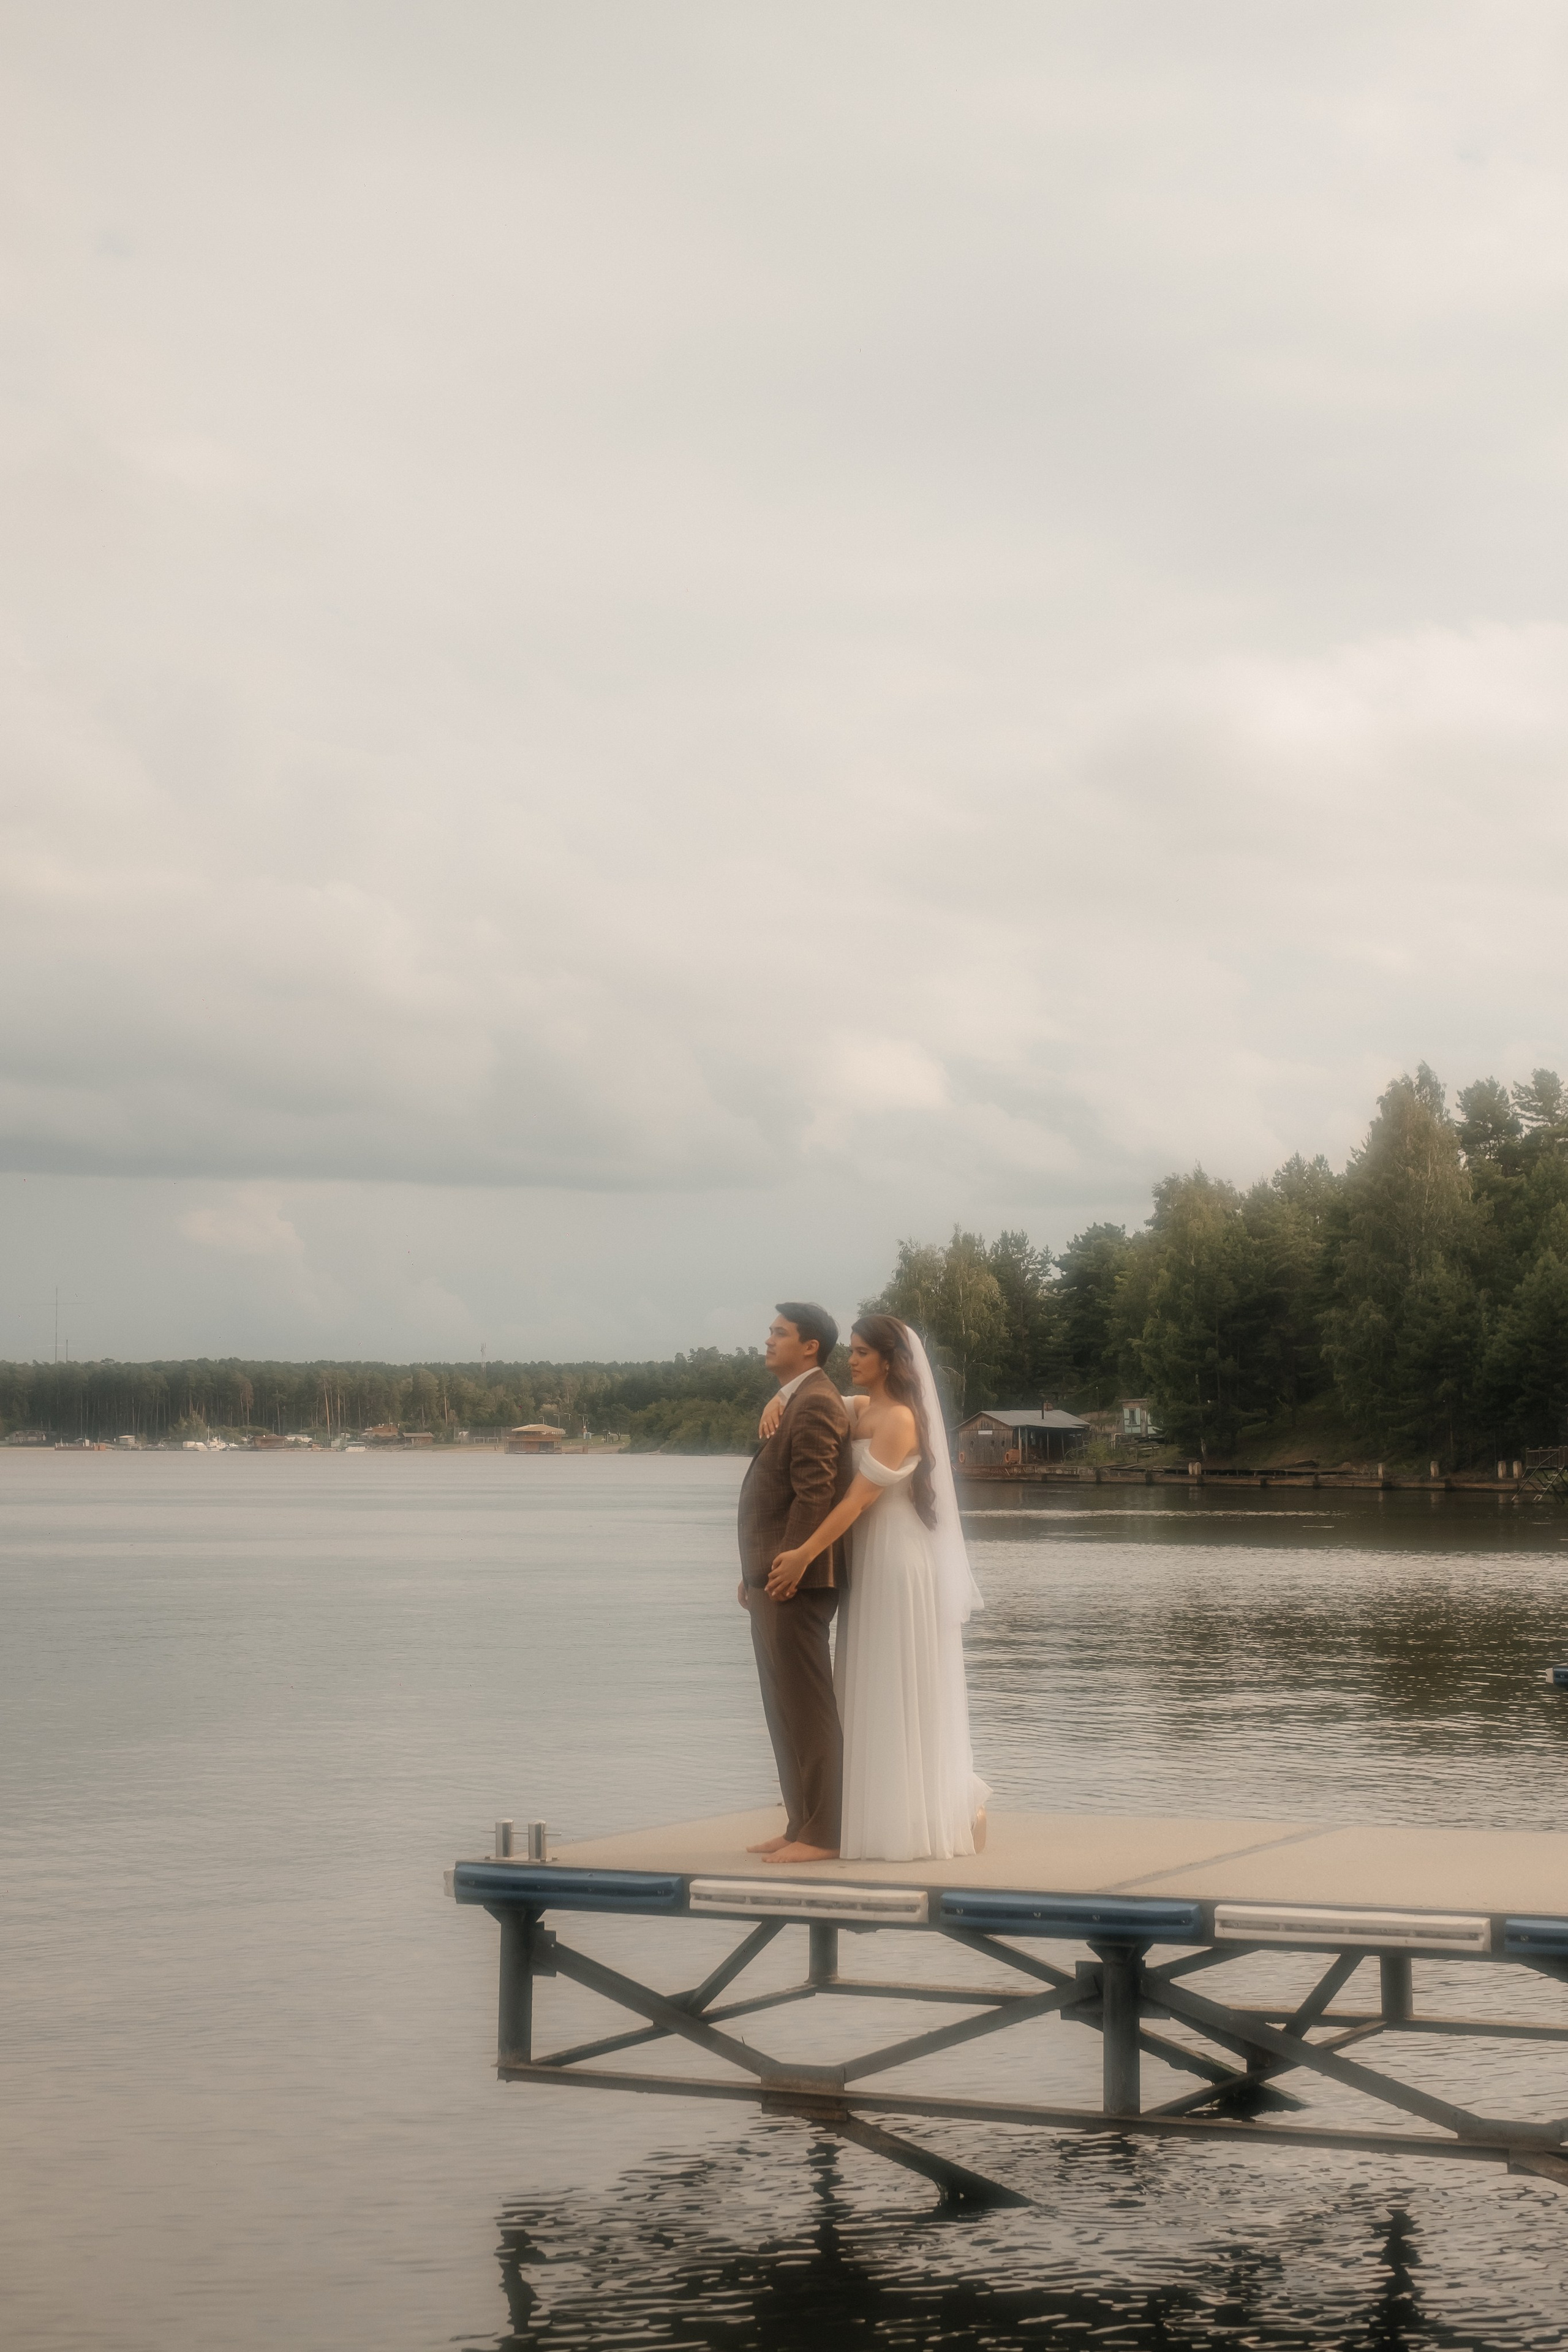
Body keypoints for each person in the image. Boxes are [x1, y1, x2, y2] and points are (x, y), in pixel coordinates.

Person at [762, 1314, 988, 1863]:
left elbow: (858, 1500)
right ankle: (845, 1818)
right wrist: (777, 1401)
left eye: (863, 1353)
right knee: (863, 1684)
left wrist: (804, 1554)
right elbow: (818, 1404)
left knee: (895, 1680)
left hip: (899, 1561)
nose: (853, 1360)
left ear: (889, 1360)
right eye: (853, 1351)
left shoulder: (901, 1421)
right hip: (869, 1562)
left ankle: (947, 1809)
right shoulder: (865, 1409)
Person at [736, 1303, 855, 1865]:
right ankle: (799, 1823)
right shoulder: (796, 1399)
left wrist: (791, 1565)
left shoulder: (815, 1404)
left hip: (798, 1581)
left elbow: (815, 1493)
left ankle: (826, 1833)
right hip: (774, 1575)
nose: (768, 1340)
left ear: (810, 1346)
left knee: (807, 1707)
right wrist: (754, 1572)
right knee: (781, 1706)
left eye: (779, 1333)